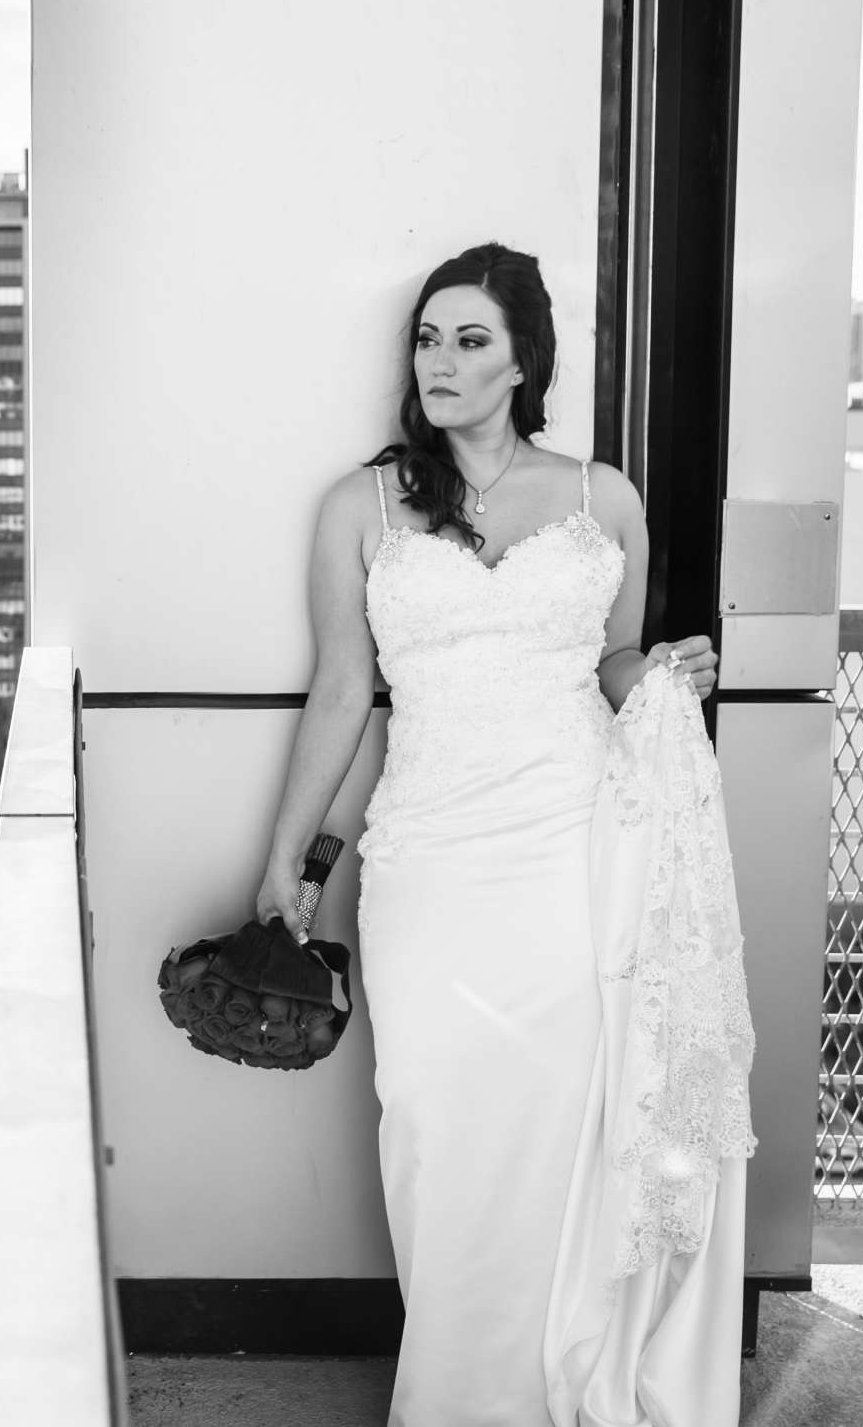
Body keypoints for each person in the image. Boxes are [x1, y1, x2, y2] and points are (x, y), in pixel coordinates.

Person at [253, 242, 727, 1426]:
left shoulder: (598, 498)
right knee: (434, 1119)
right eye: (428, 337)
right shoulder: (357, 507)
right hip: (429, 855)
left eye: (472, 339)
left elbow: (610, 660)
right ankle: (461, 1394)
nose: (443, 360)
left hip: (573, 851)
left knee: (561, 1125)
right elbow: (340, 689)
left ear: (524, 360)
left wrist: (660, 670)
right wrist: (285, 860)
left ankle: (555, 1379)